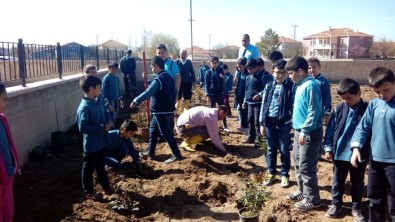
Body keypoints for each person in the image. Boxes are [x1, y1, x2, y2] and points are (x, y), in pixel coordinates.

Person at [350, 67, 395, 222]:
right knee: (375, 199)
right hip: (375, 160)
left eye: (385, 90)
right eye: (377, 92)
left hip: (393, 163)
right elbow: (363, 128)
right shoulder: (374, 105)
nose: (382, 95)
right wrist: (356, 148)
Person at [323, 78, 368, 221]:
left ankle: (356, 208)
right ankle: (336, 204)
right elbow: (331, 129)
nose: (345, 101)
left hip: (358, 155)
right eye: (343, 98)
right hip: (339, 153)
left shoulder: (367, 110)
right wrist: (328, 147)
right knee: (337, 182)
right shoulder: (339, 108)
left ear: (359, 93)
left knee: (357, 183)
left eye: (348, 98)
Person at [286, 56, 323, 210]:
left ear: (300, 71)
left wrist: (304, 130)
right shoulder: (300, 85)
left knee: (307, 166)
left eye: (290, 73)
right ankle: (302, 191)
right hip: (299, 130)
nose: (289, 76)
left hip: (309, 133)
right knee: (298, 162)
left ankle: (313, 199)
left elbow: (313, 112)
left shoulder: (311, 86)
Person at [131, 56, 182, 164]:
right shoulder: (168, 77)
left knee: (166, 133)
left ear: (156, 66)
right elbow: (175, 91)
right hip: (167, 110)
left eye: (152, 67)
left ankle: (176, 154)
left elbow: (148, 92)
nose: (151, 69)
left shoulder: (158, 79)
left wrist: (136, 101)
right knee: (153, 130)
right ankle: (150, 151)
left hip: (160, 111)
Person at [76, 75, 114, 201]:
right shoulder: (84, 107)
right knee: (88, 168)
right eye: (99, 87)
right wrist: (102, 127)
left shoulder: (98, 101)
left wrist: (109, 121)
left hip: (102, 141)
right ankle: (88, 191)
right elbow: (83, 127)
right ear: (91, 88)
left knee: (100, 165)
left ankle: (105, 186)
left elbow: (106, 113)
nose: (101, 89)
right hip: (92, 144)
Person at [259, 59, 295, 188]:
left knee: (284, 149)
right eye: (278, 72)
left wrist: (291, 121)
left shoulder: (291, 86)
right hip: (269, 122)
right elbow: (264, 105)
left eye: (283, 73)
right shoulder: (269, 86)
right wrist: (262, 123)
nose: (280, 75)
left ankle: (285, 174)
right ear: (272, 72)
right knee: (270, 148)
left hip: (284, 123)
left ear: (287, 73)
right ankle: (271, 172)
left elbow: (294, 105)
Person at [0, 83, 20, 221]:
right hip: (1, 177)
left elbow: (9, 144)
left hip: (7, 175)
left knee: (8, 209)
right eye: (4, 99)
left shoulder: (2, 119)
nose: (7, 102)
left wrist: (15, 165)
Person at [242, 58, 273, 144]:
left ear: (256, 67)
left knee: (257, 121)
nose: (249, 71)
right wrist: (245, 101)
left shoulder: (262, 77)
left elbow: (267, 89)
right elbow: (246, 90)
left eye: (251, 69)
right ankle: (251, 137)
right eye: (247, 69)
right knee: (250, 119)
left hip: (258, 104)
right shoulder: (248, 77)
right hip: (250, 103)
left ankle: (259, 140)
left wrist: (260, 95)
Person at [204, 56, 230, 132]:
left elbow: (225, 81)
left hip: (220, 94)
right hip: (212, 95)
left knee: (223, 109)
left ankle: (225, 125)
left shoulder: (220, 70)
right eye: (213, 63)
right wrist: (207, 95)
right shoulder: (208, 72)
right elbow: (206, 84)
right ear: (210, 63)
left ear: (218, 63)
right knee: (212, 111)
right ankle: (213, 126)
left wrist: (224, 78)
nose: (214, 64)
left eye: (215, 63)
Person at [308, 58, 332, 125]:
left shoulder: (324, 82)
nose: (312, 70)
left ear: (319, 67)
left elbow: (327, 98)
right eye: (309, 68)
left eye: (314, 67)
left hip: (318, 113)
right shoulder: (307, 81)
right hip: (307, 112)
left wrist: (327, 113)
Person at [234, 57, 249, 134]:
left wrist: (245, 100)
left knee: (245, 113)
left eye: (241, 66)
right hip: (239, 96)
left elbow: (247, 89)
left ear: (245, 66)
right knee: (240, 111)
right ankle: (243, 126)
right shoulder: (240, 73)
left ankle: (246, 127)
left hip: (244, 97)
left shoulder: (247, 75)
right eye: (238, 66)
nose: (239, 68)